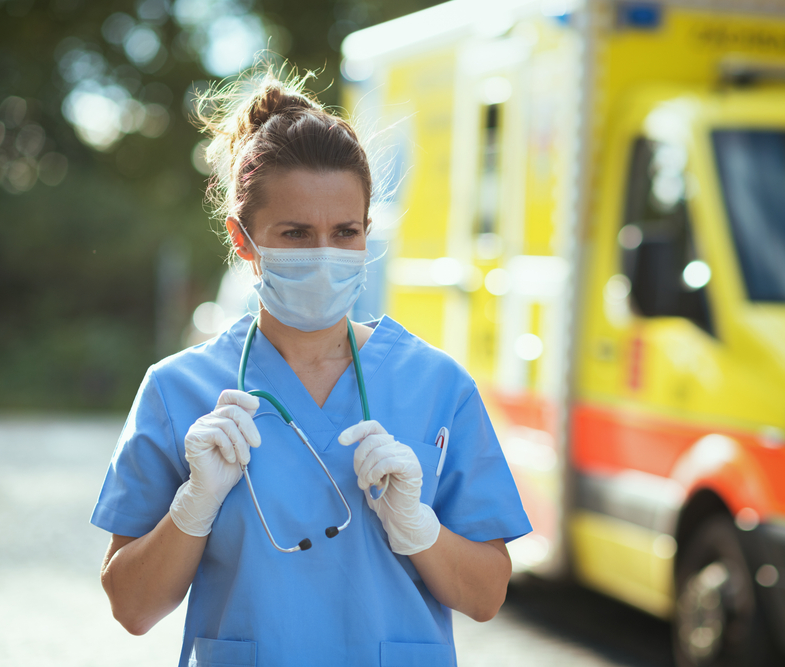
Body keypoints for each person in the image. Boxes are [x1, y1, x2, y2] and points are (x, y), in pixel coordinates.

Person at [91, 67, 532, 667]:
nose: (323, 254)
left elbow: (485, 596)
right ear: (243, 239)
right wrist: (192, 507)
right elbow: (131, 608)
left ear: (367, 235)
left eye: (344, 232)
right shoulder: (178, 391)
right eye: (295, 233)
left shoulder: (438, 387)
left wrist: (422, 531)